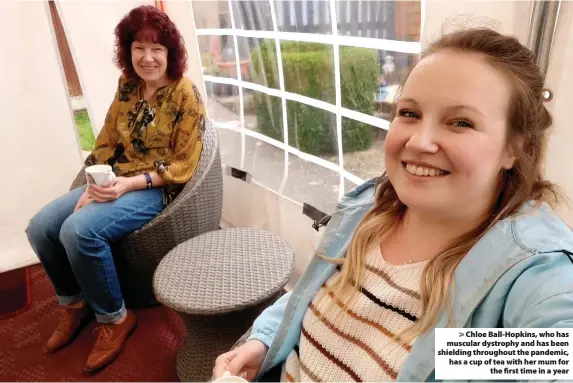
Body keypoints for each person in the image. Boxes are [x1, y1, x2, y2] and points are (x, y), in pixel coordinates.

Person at [212, 28, 573, 382]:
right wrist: (266, 339)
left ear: (515, 148)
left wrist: (456, 353)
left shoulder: (531, 272)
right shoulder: (369, 210)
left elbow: (558, 353)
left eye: (461, 122)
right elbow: (312, 293)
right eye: (410, 113)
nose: (419, 141)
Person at [25, 5, 206, 372]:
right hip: (115, 178)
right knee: (41, 227)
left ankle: (114, 318)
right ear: (128, 51)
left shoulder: (185, 94)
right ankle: (75, 304)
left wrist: (128, 185)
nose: (147, 57)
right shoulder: (127, 86)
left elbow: (183, 165)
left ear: (170, 52)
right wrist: (94, 185)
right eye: (139, 47)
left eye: (156, 48)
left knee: (77, 231)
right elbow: (107, 141)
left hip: (155, 187)